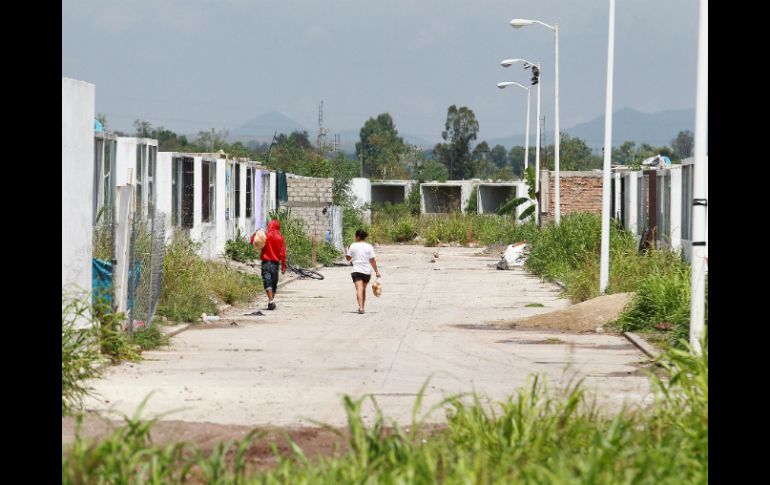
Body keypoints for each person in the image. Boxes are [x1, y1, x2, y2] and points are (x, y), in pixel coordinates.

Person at [346, 229, 381, 314]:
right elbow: (372, 260)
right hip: (366, 271)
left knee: (359, 289)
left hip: (356, 270)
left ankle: (361, 308)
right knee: (363, 289)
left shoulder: (353, 246)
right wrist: (377, 271)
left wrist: (347, 251)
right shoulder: (369, 246)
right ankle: (362, 307)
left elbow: (348, 258)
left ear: (357, 237)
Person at [260, 219, 286, 310]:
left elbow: (253, 241)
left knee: (267, 282)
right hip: (275, 264)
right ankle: (271, 301)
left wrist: (257, 233)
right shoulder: (280, 238)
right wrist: (283, 266)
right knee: (274, 284)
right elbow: (282, 253)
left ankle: (271, 301)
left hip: (266, 263)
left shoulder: (265, 236)